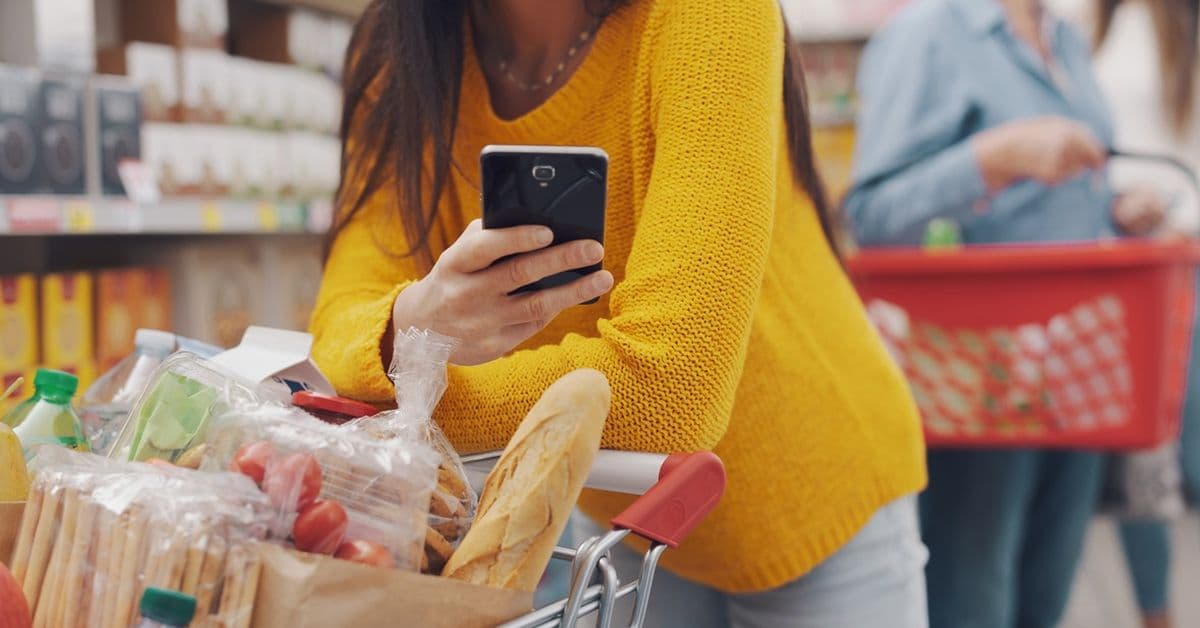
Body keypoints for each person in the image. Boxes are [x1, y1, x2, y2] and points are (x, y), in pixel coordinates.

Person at [309, 0, 929, 626]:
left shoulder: (710, 16)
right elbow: (334, 336)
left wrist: (409, 391)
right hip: (628, 520)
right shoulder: (401, 50)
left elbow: (670, 391)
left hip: (815, 494)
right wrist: (411, 324)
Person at [844, 0, 1168, 627]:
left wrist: (1118, 209)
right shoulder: (928, 34)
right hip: (977, 380)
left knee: (1045, 596)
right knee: (975, 596)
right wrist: (991, 158)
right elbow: (873, 216)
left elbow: (1054, 203)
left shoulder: (1066, 40)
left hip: (1081, 372)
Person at [1058, 1, 1200, 625]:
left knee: (1177, 455)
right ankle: (1156, 612)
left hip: (1180, 257)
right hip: (1111, 262)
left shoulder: (1182, 25)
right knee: (1140, 454)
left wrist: (1169, 209)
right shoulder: (1084, 20)